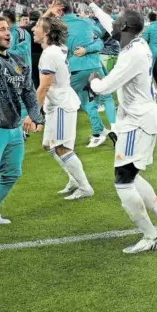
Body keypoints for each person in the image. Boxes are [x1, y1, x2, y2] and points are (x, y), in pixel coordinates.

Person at [81, 0, 157, 253]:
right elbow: (108, 24)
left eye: (117, 21)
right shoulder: (135, 45)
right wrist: (93, 3)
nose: (112, 24)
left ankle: (151, 236)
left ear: (124, 27)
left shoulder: (131, 55)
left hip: (138, 122)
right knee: (132, 175)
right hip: (138, 119)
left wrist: (92, 79)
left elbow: (104, 87)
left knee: (122, 180)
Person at [0, 0, 44, 225]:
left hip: (14, 126)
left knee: (12, 173)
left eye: (9, 30)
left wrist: (36, 116)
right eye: (1, 30)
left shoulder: (18, 60)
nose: (8, 34)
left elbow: (29, 91)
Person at [33, 12, 94, 200]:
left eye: (37, 26)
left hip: (60, 104)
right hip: (57, 103)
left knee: (62, 148)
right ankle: (73, 179)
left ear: (47, 33)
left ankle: (85, 188)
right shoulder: (57, 48)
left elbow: (44, 87)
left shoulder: (49, 54)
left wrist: (32, 115)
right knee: (48, 145)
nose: (34, 29)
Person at [58, 0, 109, 148]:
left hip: (76, 68)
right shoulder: (86, 23)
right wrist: (87, 50)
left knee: (63, 102)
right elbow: (99, 42)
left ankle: (61, 140)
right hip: (95, 67)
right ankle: (99, 131)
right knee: (89, 102)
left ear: (60, 11)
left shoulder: (58, 26)